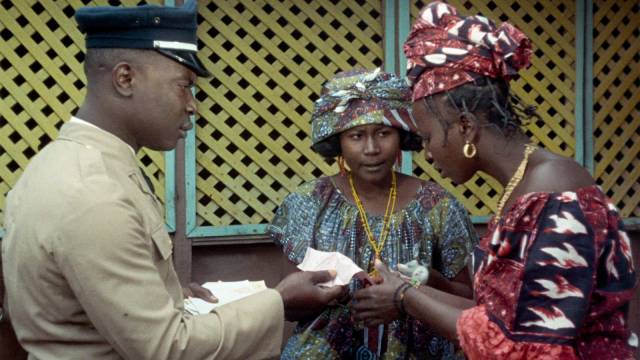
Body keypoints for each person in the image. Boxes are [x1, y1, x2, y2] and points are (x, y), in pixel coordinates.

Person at [1, 1, 343, 359]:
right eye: (184, 85)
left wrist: (167, 297)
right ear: (125, 79)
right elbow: (166, 348)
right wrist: (279, 302)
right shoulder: (94, 193)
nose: (193, 105)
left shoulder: (64, 165)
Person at [351, 2, 637, 359]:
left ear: (465, 127)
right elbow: (496, 312)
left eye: (427, 139)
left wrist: (403, 297)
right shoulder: (525, 187)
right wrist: (413, 288)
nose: (427, 154)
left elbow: (526, 344)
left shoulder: (554, 193)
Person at [268, 68, 478, 359]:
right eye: (356, 136)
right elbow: (288, 305)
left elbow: (468, 302)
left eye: (383, 133)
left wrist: (425, 281)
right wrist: (341, 292)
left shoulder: (438, 206)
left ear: (401, 137)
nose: (371, 149)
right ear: (338, 142)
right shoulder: (308, 203)